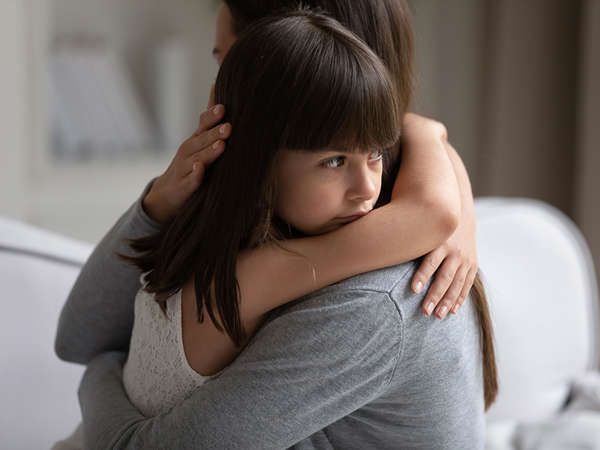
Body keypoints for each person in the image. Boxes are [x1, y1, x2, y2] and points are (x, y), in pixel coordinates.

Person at [55, 4, 497, 450]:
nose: (217, 93)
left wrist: (101, 374)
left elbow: (95, 357)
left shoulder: (369, 298)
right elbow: (79, 336)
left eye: (229, 59)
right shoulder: (262, 237)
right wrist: (158, 203)